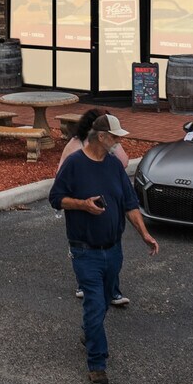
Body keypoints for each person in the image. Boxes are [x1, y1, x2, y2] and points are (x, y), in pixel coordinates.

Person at [48, 111, 157, 384]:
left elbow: (130, 204)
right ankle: (97, 363)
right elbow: (55, 199)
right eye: (115, 138)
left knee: (104, 300)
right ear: (102, 137)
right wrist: (82, 204)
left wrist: (144, 234)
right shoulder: (74, 164)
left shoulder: (113, 167)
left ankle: (90, 330)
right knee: (95, 303)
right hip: (85, 251)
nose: (118, 143)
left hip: (113, 250)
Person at [63, 110, 134, 310]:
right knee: (86, 249)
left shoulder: (110, 148)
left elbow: (124, 161)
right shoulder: (76, 147)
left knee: (112, 247)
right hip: (83, 214)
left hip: (110, 208)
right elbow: (61, 177)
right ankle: (86, 285)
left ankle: (112, 289)